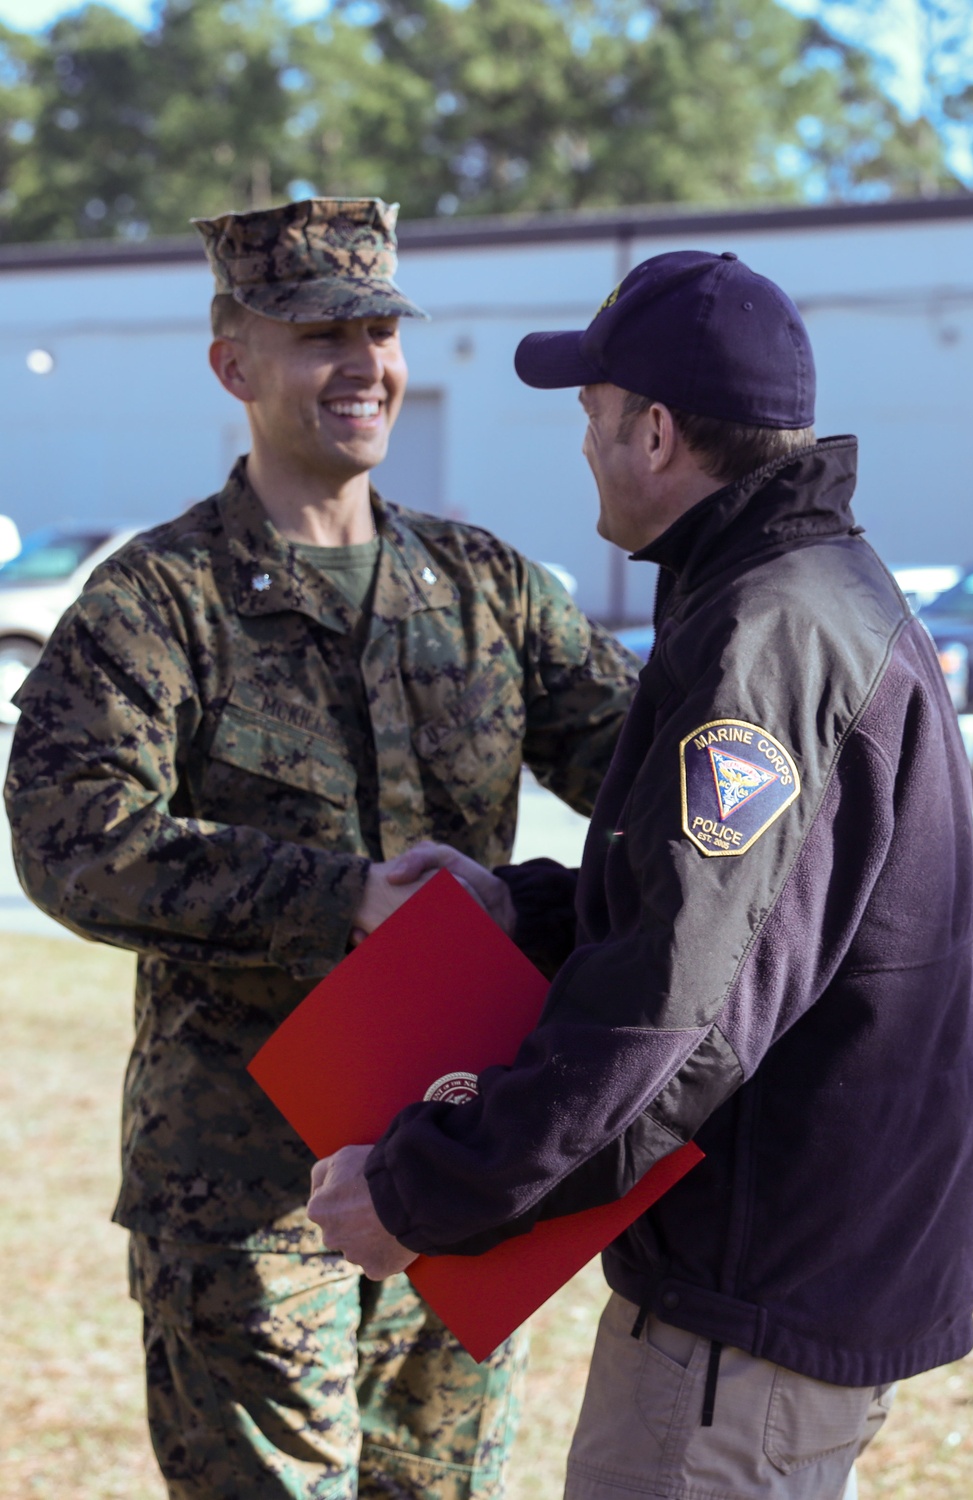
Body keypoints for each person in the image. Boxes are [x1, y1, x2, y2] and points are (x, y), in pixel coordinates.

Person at [307, 249, 973, 1500]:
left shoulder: (765, 638)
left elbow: (675, 1015)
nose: (582, 445)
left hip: (748, 1306)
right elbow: (730, 916)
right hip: (784, 1278)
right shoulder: (798, 590)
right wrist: (514, 905)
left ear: (658, 431)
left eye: (591, 414)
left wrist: (420, 1192)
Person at [3, 197, 639, 1500]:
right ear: (234, 364)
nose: (364, 363)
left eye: (380, 329)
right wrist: (340, 900)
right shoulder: (155, 604)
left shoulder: (487, 591)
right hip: (246, 1200)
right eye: (317, 334)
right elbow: (73, 838)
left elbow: (652, 784)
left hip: (458, 1169)